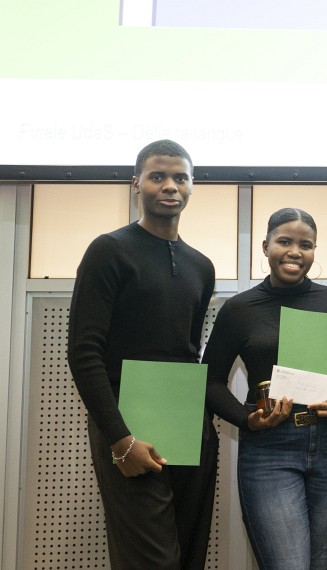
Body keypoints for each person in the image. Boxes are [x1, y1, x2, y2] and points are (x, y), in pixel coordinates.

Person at [67, 139, 218, 570]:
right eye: (158, 176)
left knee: (189, 556)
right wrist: (120, 439)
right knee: (150, 561)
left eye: (180, 178)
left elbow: (189, 353)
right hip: (127, 427)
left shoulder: (201, 266)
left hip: (188, 426)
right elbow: (83, 351)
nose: (170, 186)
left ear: (191, 186)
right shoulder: (108, 250)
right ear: (136, 183)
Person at [201, 208, 327, 570]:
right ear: (265, 246)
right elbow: (210, 381)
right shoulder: (240, 308)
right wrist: (249, 419)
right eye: (285, 241)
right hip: (269, 450)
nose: (295, 251)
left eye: (305, 245)